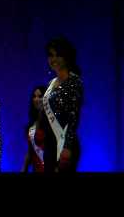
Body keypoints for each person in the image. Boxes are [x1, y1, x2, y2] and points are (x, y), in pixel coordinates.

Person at [37, 37, 83, 173]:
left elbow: (73, 116)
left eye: (58, 55)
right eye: (51, 55)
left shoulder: (74, 81)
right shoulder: (51, 83)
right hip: (50, 145)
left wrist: (67, 147)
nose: (54, 59)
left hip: (65, 145)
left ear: (67, 57)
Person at [21, 85, 46, 173]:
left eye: (40, 96)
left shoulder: (52, 123)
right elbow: (30, 151)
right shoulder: (31, 125)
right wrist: (24, 168)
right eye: (34, 96)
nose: (36, 99)